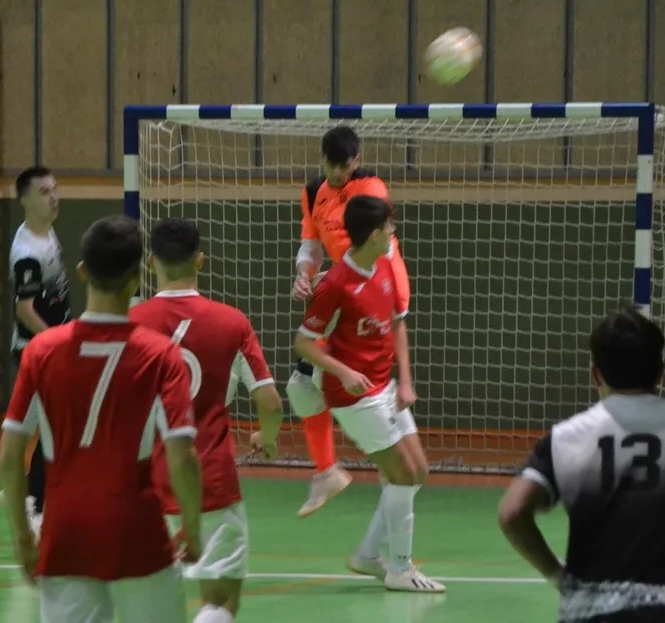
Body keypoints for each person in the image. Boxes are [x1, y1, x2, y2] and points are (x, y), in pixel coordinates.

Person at [0, 215, 203, 623]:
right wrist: (193, 529)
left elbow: (9, 457)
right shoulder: (160, 355)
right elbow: (182, 457)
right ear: (138, 276)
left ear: (82, 271)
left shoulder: (42, 352)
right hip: (138, 533)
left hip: (66, 535)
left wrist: (22, 537)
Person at [498, 307, 665, 622]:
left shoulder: (565, 438)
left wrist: (558, 575)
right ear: (660, 373)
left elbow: (512, 513)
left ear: (596, 374)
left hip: (593, 613)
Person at [130, 218, 284, 623]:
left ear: (151, 262)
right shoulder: (232, 322)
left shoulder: (131, 323)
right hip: (211, 483)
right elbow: (270, 402)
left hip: (144, 487)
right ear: (200, 260)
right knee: (219, 602)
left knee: (150, 605)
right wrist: (266, 437)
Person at [295, 195, 444, 593]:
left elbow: (397, 323)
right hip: (354, 396)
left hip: (385, 386)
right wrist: (344, 372)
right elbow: (304, 343)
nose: (394, 233)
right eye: (390, 228)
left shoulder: (384, 266)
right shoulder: (335, 284)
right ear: (376, 234)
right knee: (403, 474)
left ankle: (366, 554)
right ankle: (400, 569)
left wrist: (405, 380)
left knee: (417, 472)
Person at [289, 125, 412, 518]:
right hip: (345, 293)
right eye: (331, 165)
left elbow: (375, 247)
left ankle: (351, 467)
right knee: (303, 387)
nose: (337, 173)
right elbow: (311, 245)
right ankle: (330, 470)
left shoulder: (370, 188)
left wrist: (335, 278)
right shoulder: (313, 192)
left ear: (356, 161)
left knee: (322, 385)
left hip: (377, 289)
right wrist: (306, 273)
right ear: (322, 159)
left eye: (344, 166)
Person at [1, 166, 73, 538]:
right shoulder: (27, 252)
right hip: (37, 352)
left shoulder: (46, 232)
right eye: (44, 192)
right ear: (25, 200)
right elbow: (25, 311)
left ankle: (27, 493)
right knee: (53, 430)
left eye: (55, 189)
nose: (53, 198)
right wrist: (56, 342)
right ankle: (33, 502)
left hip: (50, 348)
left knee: (53, 428)